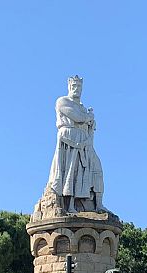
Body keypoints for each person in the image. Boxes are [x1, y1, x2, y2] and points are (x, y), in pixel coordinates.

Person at [47, 75, 104, 213]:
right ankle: (69, 205)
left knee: (96, 168)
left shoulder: (82, 107)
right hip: (69, 139)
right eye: (74, 86)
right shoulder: (62, 101)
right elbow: (78, 118)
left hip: (85, 143)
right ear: (69, 86)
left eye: (79, 87)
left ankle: (97, 205)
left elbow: (86, 123)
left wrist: (90, 122)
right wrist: (88, 118)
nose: (76, 89)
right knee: (70, 172)